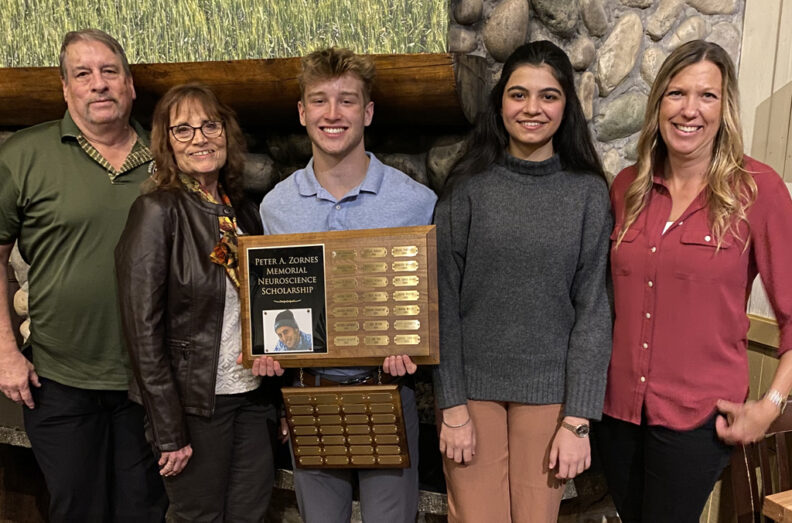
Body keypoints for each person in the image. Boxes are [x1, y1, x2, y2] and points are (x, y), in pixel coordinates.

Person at [598, 40, 792, 523]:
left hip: (696, 420)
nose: (689, 110)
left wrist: (769, 406)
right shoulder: (628, 186)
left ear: (725, 109)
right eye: (676, 94)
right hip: (617, 411)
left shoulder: (758, 190)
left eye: (706, 96)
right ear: (658, 103)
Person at [255, 47, 437, 523]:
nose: (332, 114)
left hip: (387, 391)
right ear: (302, 112)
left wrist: (412, 349)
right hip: (308, 396)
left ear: (368, 111)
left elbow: (428, 307)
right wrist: (269, 351)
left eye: (347, 101)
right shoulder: (276, 207)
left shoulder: (416, 203)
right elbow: (276, 305)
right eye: (319, 101)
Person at [433, 40, 612, 523]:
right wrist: (451, 406)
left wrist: (578, 421)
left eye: (548, 96)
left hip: (551, 396)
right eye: (518, 94)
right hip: (471, 395)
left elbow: (594, 308)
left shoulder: (589, 195)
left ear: (566, 105)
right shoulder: (466, 187)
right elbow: (441, 301)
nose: (532, 108)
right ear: (500, 103)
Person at [0, 29, 167, 521]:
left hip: (147, 383)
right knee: (78, 511)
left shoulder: (167, 158)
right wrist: (6, 352)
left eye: (109, 71)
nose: (98, 84)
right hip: (59, 380)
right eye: (83, 74)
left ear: (130, 85)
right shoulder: (24, 155)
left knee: (145, 511)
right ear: (65, 89)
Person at [115, 83, 279, 522]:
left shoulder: (243, 213)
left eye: (210, 125)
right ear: (166, 143)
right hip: (194, 405)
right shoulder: (156, 211)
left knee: (250, 514)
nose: (200, 138)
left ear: (227, 133)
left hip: (251, 397)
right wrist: (169, 430)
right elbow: (141, 332)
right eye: (183, 130)